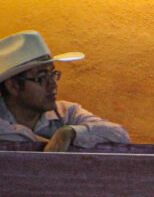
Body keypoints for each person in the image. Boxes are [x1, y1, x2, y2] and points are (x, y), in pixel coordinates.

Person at [0, 30, 130, 150]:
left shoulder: (66, 112)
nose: (53, 85)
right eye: (41, 78)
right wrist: (44, 142)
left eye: (52, 75)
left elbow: (120, 135)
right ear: (13, 86)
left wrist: (69, 132)